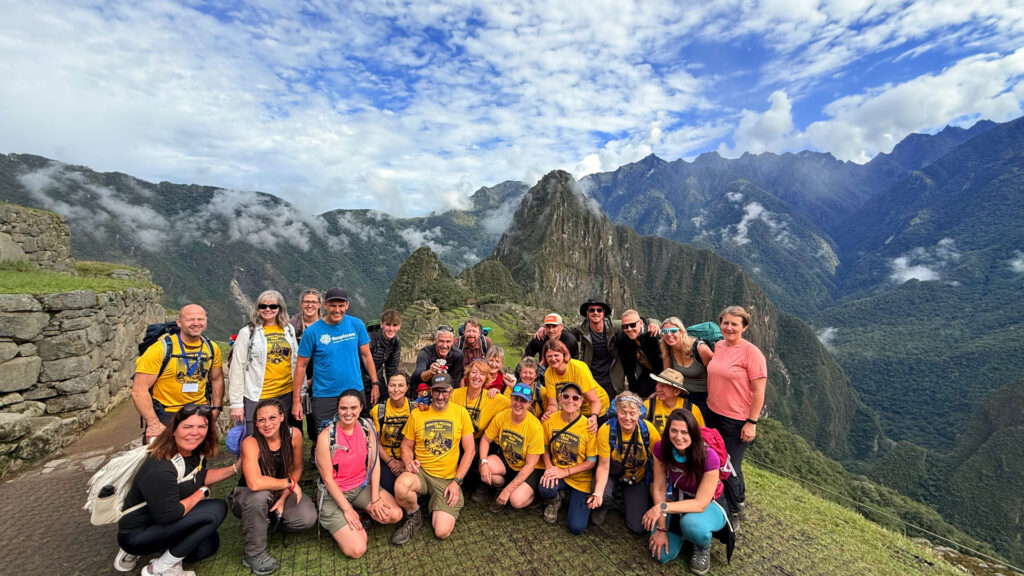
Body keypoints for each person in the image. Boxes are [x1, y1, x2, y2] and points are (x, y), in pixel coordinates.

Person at [116, 404, 235, 576]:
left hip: (161, 520)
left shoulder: (193, 452)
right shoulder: (160, 467)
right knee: (215, 510)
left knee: (206, 547)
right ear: (173, 430)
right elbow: (170, 515)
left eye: (202, 426)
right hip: (137, 533)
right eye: (187, 426)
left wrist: (236, 468)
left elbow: (199, 477)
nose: (195, 432)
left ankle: (165, 549)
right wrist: (201, 493)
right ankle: (159, 568)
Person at [231, 399, 316, 574]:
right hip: (249, 496)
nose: (267, 424)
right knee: (259, 497)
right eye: (261, 420)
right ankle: (253, 554)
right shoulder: (250, 442)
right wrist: (289, 483)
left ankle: (263, 524)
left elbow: (297, 468)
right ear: (255, 423)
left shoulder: (295, 435)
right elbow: (254, 483)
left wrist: (284, 496)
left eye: (272, 417)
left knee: (307, 517)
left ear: (282, 417)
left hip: (280, 492)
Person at [316, 390, 403, 558]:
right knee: (357, 549)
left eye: (353, 407)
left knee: (395, 514)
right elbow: (327, 479)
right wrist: (347, 509)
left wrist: (375, 497)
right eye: (343, 408)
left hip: (360, 486)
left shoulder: (367, 426)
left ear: (361, 407)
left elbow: (374, 462)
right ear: (338, 409)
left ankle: (361, 511)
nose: (348, 413)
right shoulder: (326, 437)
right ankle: (343, 517)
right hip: (333, 494)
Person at [391, 372, 475, 544]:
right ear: (430, 391)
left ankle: (436, 501)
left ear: (451, 391)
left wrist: (456, 482)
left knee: (442, 531)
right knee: (401, 486)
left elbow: (470, 451)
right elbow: (406, 445)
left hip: (447, 478)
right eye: (436, 391)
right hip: (421, 472)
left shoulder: (460, 413)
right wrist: (408, 462)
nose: (440, 396)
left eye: (444, 391)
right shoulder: (418, 414)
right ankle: (414, 515)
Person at [642, 409, 728, 576]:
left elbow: (700, 503)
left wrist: (661, 508)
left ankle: (702, 544)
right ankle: (682, 534)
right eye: (674, 431)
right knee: (661, 555)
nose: (678, 437)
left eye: (684, 432)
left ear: (693, 434)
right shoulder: (661, 448)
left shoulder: (708, 457)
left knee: (692, 525)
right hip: (676, 499)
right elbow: (659, 488)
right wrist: (661, 529)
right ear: (668, 432)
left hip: (709, 504)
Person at [705, 305, 767, 527]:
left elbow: (759, 390)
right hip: (713, 412)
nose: (729, 327)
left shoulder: (752, 353)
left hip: (737, 418)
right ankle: (721, 499)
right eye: (725, 323)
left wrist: (751, 422)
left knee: (728, 464)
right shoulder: (719, 346)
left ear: (744, 327)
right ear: (719, 324)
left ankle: (735, 507)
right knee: (713, 458)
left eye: (734, 324)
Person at [291, 288, 379, 439]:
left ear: (347, 305)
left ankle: (358, 463)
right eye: (333, 305)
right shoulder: (312, 332)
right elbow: (301, 365)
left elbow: (366, 355)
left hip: (354, 390)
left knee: (359, 435)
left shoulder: (356, 325)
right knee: (327, 437)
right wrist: (296, 400)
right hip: (325, 394)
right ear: (325, 305)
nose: (337, 310)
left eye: (341, 305)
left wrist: (375, 383)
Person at [132, 304, 224, 442]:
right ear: (179, 322)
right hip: (167, 413)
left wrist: (215, 409)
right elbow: (139, 389)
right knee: (164, 459)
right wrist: (153, 423)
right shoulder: (160, 349)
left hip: (200, 410)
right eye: (190, 320)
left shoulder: (211, 348)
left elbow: (217, 379)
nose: (196, 323)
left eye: (200, 319)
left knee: (197, 458)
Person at [228, 290, 299, 436]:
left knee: (281, 436)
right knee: (254, 437)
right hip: (257, 395)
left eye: (273, 306)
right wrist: (236, 403)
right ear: (257, 308)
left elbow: (295, 361)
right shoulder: (247, 332)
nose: (268, 309)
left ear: (280, 308)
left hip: (285, 394)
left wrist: (300, 392)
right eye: (263, 306)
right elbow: (237, 367)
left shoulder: (288, 330)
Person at [589, 392, 661, 532]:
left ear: (639, 413)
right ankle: (605, 502)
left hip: (636, 477)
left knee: (638, 528)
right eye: (623, 412)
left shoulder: (648, 430)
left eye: (632, 413)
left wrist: (657, 496)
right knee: (602, 495)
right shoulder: (606, 430)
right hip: (612, 473)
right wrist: (598, 493)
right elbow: (603, 466)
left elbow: (660, 462)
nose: (627, 418)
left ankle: (625, 498)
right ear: (617, 411)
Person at [539, 381, 597, 533]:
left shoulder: (588, 426)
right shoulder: (550, 419)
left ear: (581, 401)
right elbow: (544, 447)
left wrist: (565, 472)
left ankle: (571, 496)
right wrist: (549, 467)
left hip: (580, 478)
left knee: (576, 527)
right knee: (546, 487)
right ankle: (555, 500)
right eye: (566, 396)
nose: (570, 400)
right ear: (559, 398)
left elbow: (591, 462)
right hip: (557, 470)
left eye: (575, 398)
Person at [479, 383, 545, 514]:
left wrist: (508, 491)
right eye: (516, 399)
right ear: (511, 399)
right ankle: (501, 486)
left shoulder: (535, 427)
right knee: (484, 467)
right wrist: (484, 463)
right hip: (509, 460)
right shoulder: (502, 416)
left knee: (516, 501)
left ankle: (534, 494)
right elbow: (485, 439)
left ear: (529, 403)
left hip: (529, 469)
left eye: (523, 400)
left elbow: (530, 465)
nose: (518, 404)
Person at [453, 359, 511, 501]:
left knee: (475, 451)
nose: (476, 377)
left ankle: (481, 484)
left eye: (482, 374)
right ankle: (460, 479)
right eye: (473, 372)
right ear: (468, 374)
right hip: (458, 438)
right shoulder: (455, 395)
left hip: (479, 440)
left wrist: (509, 387)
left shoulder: (492, 397)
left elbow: (518, 406)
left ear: (486, 378)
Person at [540, 340, 607, 432]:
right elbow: (552, 404)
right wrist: (549, 415)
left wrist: (594, 416)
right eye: (549, 356)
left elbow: (594, 400)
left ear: (564, 355)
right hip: (574, 408)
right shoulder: (549, 373)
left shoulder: (579, 368)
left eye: (556, 355)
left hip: (596, 407)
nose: (553, 359)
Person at [660, 317, 714, 417]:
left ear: (681, 331)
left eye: (673, 331)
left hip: (703, 397)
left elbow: (716, 375)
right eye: (664, 331)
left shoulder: (700, 348)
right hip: (682, 394)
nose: (669, 334)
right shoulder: (667, 348)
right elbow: (666, 376)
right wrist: (660, 390)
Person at [371, 372, 414, 493]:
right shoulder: (378, 411)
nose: (396, 389)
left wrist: (404, 463)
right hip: (386, 458)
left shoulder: (415, 409)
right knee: (389, 488)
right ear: (387, 387)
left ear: (407, 388)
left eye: (400, 385)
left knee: (406, 487)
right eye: (392, 385)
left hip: (409, 458)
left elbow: (419, 441)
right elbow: (375, 441)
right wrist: (390, 462)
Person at [289, 288, 323, 439]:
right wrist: (301, 382)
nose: (310, 305)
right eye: (306, 301)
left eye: (313, 302)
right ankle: (294, 446)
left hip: (320, 377)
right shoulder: (291, 326)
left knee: (316, 415)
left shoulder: (326, 326)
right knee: (295, 414)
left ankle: (317, 445)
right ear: (301, 304)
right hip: (297, 376)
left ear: (320, 304)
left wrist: (312, 380)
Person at [573, 298, 622, 398]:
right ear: (587, 313)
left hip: (611, 379)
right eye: (592, 310)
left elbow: (637, 322)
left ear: (603, 313)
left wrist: (652, 323)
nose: (595, 313)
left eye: (599, 310)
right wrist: (544, 328)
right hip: (590, 379)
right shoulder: (581, 329)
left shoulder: (614, 327)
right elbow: (560, 329)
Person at [613, 309, 662, 398]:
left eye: (632, 325)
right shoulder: (622, 339)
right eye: (625, 326)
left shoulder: (653, 334)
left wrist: (661, 386)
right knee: (640, 394)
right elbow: (628, 366)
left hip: (663, 371)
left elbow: (665, 359)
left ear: (640, 323)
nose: (629, 329)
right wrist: (633, 391)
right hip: (647, 372)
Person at [362, 308, 403, 406]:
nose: (391, 329)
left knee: (387, 403)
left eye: (395, 325)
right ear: (382, 324)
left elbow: (392, 368)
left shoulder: (395, 342)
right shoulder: (370, 338)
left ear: (399, 326)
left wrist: (394, 389)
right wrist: (373, 384)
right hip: (362, 379)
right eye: (388, 324)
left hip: (378, 378)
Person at [410, 325, 464, 395]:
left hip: (446, 392)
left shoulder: (458, 355)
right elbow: (416, 377)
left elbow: (455, 382)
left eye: (448, 341)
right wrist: (430, 372)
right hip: (425, 392)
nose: (444, 346)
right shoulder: (425, 353)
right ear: (435, 340)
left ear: (452, 342)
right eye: (441, 341)